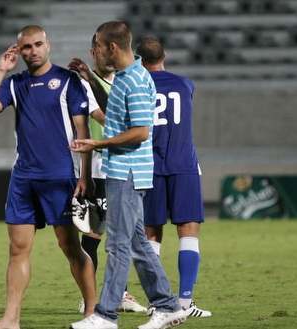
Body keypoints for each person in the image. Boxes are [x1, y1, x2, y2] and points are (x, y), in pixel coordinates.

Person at [0, 25, 97, 329]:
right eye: (26, 47)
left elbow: (84, 132)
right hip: (24, 178)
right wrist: (0, 70)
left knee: (70, 247)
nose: (32, 51)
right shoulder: (15, 83)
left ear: (48, 45)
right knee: (17, 248)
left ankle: (93, 314)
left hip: (59, 177)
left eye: (37, 45)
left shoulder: (68, 81)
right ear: (19, 51)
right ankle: (10, 319)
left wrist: (86, 176)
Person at [68, 21, 186, 329]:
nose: (95, 51)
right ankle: (168, 305)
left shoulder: (133, 80)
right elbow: (116, 113)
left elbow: (140, 132)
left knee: (117, 244)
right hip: (124, 169)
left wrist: (99, 142)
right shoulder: (125, 75)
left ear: (112, 47)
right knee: (137, 244)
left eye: (98, 44)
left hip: (128, 171)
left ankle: (105, 315)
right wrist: (90, 79)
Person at [135, 37, 212, 318]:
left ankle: (157, 302)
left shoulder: (138, 86)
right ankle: (184, 302)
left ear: (139, 61)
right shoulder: (185, 84)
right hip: (183, 166)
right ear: (164, 55)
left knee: (151, 234)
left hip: (150, 167)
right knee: (189, 232)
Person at [77, 34, 147, 314]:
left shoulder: (123, 80)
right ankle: (90, 297)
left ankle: (120, 292)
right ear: (95, 52)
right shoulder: (83, 83)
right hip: (97, 167)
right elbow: (104, 117)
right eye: (100, 49)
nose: (105, 55)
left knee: (124, 234)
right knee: (94, 235)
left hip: (122, 166)